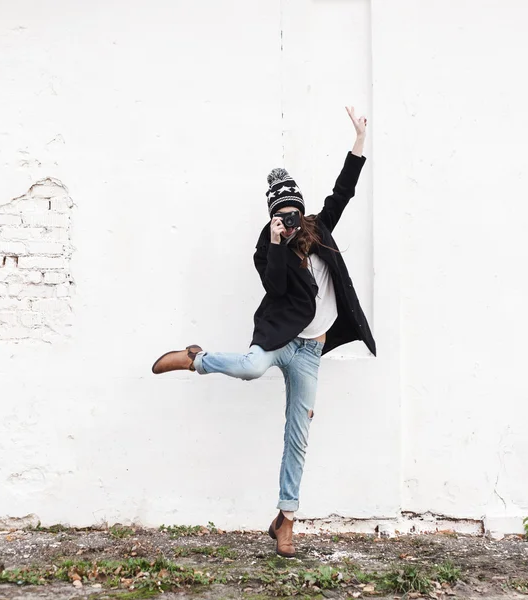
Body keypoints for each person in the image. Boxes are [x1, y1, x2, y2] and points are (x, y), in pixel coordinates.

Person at [151, 106, 376, 557]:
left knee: (298, 434)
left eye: (294, 214)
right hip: (278, 339)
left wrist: (358, 141)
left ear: (302, 210)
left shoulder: (320, 227)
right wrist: (275, 243)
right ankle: (197, 358)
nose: (291, 221)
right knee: (252, 369)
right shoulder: (268, 244)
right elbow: (273, 287)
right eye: (282, 216)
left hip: (311, 351)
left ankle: (285, 520)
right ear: (273, 216)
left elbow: (344, 191)